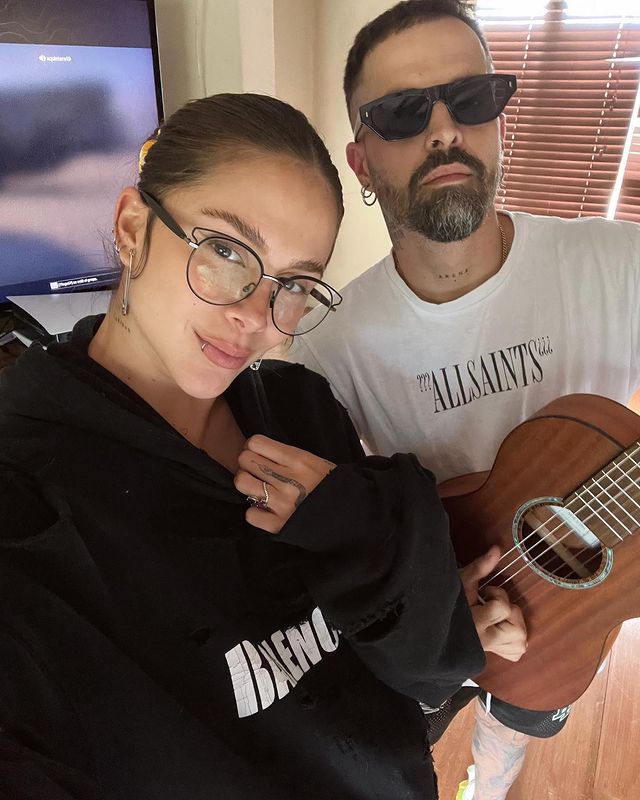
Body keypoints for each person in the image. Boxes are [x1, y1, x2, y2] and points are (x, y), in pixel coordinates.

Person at [0, 92, 527, 799]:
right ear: (133, 229)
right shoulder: (27, 506)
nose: (257, 316)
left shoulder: (299, 408)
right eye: (225, 251)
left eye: (296, 284)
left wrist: (383, 554)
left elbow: (408, 668)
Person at [291, 1, 640, 798]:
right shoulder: (325, 350)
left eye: (471, 98)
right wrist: (426, 611)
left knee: (518, 719)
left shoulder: (622, 265)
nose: (445, 130)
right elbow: (331, 537)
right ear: (361, 162)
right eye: (403, 112)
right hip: (435, 617)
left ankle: (488, 780)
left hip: (573, 609)